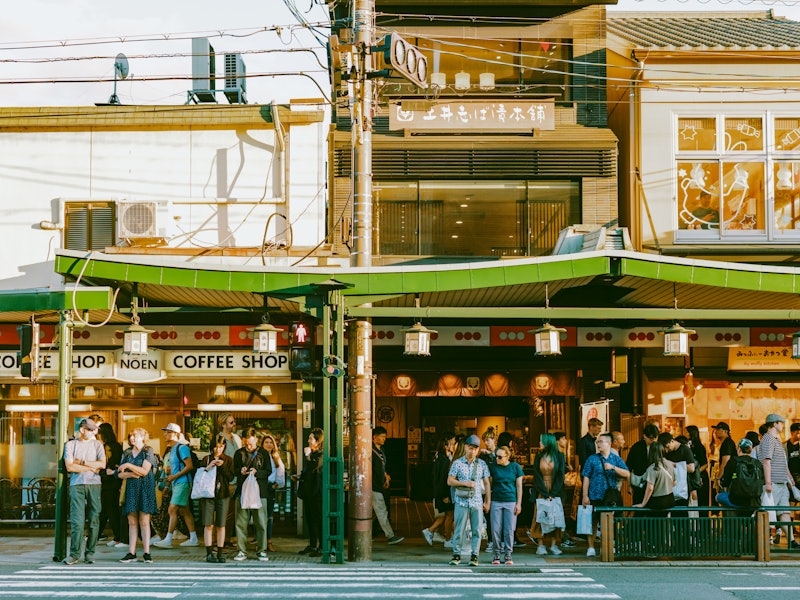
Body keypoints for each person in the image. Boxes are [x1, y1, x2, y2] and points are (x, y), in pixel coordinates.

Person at [63, 418, 106, 565]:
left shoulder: (97, 444)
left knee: (94, 519)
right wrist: (91, 467)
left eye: (94, 429)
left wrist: (80, 462)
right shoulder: (70, 444)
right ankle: (74, 554)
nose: (94, 432)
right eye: (91, 429)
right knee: (77, 521)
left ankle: (89, 553)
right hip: (77, 484)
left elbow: (103, 464)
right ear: (82, 430)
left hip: (94, 484)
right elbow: (69, 467)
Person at [581, 433, 630, 557]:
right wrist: (585, 495)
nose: (598, 444)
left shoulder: (615, 459)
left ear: (609, 443)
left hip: (609, 496)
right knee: (592, 520)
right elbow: (586, 476)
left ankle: (606, 545)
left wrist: (613, 468)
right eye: (597, 442)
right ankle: (591, 547)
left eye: (601, 441)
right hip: (594, 493)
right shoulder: (592, 459)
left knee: (608, 521)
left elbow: (627, 473)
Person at [447, 434, 491, 567]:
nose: (472, 451)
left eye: (475, 449)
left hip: (477, 501)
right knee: (459, 529)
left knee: (477, 530)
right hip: (461, 501)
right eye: (470, 447)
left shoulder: (482, 464)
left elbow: (487, 483)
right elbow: (450, 481)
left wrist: (488, 500)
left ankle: (475, 555)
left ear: (478, 450)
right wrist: (466, 483)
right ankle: (456, 555)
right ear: (465, 447)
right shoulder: (457, 463)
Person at [153, 423, 199, 548]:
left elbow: (189, 466)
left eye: (169, 432)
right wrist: (169, 484)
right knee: (185, 510)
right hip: (177, 483)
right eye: (165, 432)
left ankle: (168, 539)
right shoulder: (173, 449)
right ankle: (193, 537)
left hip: (183, 482)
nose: (165, 434)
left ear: (176, 434)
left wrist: (174, 477)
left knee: (172, 509)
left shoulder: (181, 448)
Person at [116, 427, 157, 564]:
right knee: (132, 521)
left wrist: (128, 466)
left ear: (143, 437)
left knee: (144, 520)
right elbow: (119, 473)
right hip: (131, 488)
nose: (132, 438)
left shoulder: (148, 451)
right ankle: (131, 552)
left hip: (145, 488)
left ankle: (146, 552)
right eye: (131, 435)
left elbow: (145, 471)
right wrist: (132, 474)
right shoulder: (127, 452)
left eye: (135, 435)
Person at [758, 414, 799, 548]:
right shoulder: (768, 439)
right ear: (774, 424)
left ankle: (791, 541)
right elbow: (766, 462)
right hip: (773, 483)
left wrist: (790, 480)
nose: (782, 425)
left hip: (781, 483)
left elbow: (783, 463)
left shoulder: (777, 440)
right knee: (767, 513)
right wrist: (768, 482)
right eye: (781, 423)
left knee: (784, 512)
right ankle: (760, 542)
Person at [232, 429, 271, 562]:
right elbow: (234, 470)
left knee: (260, 521)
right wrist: (240, 471)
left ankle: (262, 550)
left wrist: (257, 472)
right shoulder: (239, 453)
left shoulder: (263, 453)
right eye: (246, 444)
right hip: (243, 491)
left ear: (256, 440)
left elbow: (268, 471)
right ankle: (241, 550)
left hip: (260, 491)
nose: (248, 446)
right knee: (241, 522)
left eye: (250, 444)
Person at [200, 435, 234, 563]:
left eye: (220, 446)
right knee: (208, 524)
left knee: (221, 524)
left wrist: (222, 466)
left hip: (223, 494)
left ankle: (220, 552)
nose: (218, 449)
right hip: (207, 494)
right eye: (215, 446)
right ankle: (209, 553)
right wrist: (209, 467)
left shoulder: (229, 460)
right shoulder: (206, 459)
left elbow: (231, 477)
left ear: (224, 446)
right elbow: (200, 476)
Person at [488, 445, 523, 565]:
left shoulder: (515, 467)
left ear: (507, 456)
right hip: (496, 500)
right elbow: (489, 485)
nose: (497, 459)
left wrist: (519, 503)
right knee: (495, 529)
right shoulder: (493, 467)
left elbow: (519, 486)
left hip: (510, 500)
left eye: (500, 457)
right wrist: (487, 500)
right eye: (496, 456)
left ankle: (508, 553)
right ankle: (497, 553)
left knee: (509, 529)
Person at [532, 433, 565, 556]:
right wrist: (545, 493)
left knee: (555, 517)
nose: (539, 443)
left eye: (541, 441)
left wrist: (553, 493)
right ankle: (540, 545)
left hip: (555, 489)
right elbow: (537, 475)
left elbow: (561, 475)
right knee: (540, 515)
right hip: (542, 489)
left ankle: (553, 545)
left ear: (547, 442)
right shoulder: (538, 456)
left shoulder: (559, 456)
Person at [370, 426, 404, 545]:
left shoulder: (381, 450)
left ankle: (366, 534)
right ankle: (390, 536)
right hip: (373, 486)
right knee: (381, 511)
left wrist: (386, 477)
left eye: (385, 437)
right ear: (374, 437)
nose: (384, 439)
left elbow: (382, 466)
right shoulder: (370, 451)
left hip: (379, 485)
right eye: (382, 437)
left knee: (373, 513)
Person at [294, 428, 324, 558]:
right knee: (310, 519)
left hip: (317, 492)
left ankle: (322, 547)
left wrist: (308, 456)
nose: (308, 440)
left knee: (318, 519)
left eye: (311, 438)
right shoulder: (313, 454)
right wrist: (300, 477)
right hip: (308, 492)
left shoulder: (320, 455)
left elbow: (315, 469)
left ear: (318, 441)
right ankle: (313, 544)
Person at [422, 432, 455, 547]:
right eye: (451, 444)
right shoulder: (444, 461)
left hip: (440, 493)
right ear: (445, 446)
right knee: (449, 515)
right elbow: (442, 480)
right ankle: (444, 537)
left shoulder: (440, 459)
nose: (453, 446)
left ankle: (434, 532)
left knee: (445, 515)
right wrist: (444, 495)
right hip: (443, 493)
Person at [716, 438, 765, 511]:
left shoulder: (733, 461)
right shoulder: (758, 463)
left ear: (738, 449)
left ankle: (732, 519)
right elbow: (762, 481)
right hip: (755, 502)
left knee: (718, 497)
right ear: (751, 450)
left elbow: (725, 482)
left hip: (736, 500)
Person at [632, 441, 676, 516]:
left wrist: (643, 504)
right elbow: (674, 482)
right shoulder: (670, 464)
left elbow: (650, 488)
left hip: (658, 502)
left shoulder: (653, 468)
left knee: (652, 522)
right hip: (670, 499)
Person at [97, 422, 123, 547]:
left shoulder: (107, 447)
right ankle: (97, 535)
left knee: (109, 510)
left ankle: (118, 536)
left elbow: (105, 464)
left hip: (108, 482)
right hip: (115, 481)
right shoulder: (117, 445)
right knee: (107, 510)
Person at [217, 412, 241, 547]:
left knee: (231, 512)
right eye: (231, 422)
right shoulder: (219, 439)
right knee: (222, 511)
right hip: (225, 479)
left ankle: (226, 539)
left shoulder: (235, 438)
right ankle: (219, 541)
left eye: (234, 422)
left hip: (235, 478)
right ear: (223, 424)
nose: (234, 424)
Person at [261, 433, 286, 552]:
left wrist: (275, 485)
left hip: (270, 487)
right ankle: (260, 541)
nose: (269, 444)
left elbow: (281, 473)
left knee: (269, 516)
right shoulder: (259, 456)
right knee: (259, 516)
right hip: (260, 486)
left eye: (271, 442)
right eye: (266, 442)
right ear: (262, 444)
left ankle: (269, 541)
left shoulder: (276, 457)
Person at [659, 432, 696, 508]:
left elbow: (691, 468)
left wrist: (674, 464)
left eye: (667, 447)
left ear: (672, 441)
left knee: (681, 513)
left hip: (682, 489)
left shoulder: (685, 450)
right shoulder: (666, 452)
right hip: (669, 487)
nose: (666, 450)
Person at [627, 424, 660, 506]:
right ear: (644, 436)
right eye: (651, 438)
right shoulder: (636, 447)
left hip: (655, 484)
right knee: (638, 508)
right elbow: (629, 467)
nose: (653, 441)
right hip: (639, 484)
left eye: (655, 438)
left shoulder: (659, 447)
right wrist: (629, 485)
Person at [686, 425, 710, 507]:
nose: (685, 434)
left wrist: (696, 472)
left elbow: (705, 464)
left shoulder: (699, 447)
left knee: (701, 502)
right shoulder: (687, 447)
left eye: (686, 432)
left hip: (700, 478)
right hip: (693, 478)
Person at [713, 422, 737, 498]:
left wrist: (719, 477)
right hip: (729, 477)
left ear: (725, 431)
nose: (715, 432)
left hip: (727, 477)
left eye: (718, 429)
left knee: (725, 501)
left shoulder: (727, 443)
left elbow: (725, 461)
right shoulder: (726, 442)